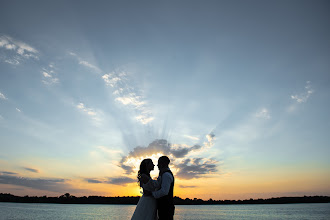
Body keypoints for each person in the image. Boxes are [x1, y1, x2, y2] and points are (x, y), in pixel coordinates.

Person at [152, 156, 175, 220]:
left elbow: (164, 191)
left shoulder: (166, 175)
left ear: (163, 164)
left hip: (166, 207)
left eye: (158, 163)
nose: (157, 165)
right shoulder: (163, 174)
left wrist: (152, 194)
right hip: (164, 207)